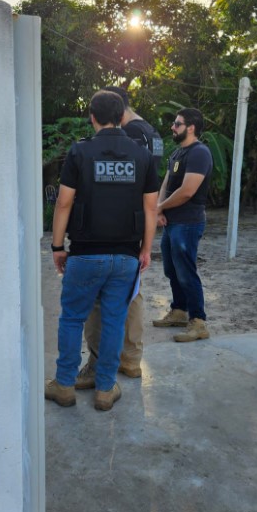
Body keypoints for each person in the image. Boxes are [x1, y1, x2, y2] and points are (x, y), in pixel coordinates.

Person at [45, 90, 159, 411]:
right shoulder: (142, 155)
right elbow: (150, 209)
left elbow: (64, 203)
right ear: (121, 116)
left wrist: (57, 246)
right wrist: (146, 249)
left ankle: (64, 385)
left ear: (92, 117)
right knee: (113, 321)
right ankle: (106, 389)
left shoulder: (80, 152)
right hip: (126, 256)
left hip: (85, 253)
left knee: (72, 319)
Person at [76, 85, 163, 388]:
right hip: (136, 227)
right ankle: (131, 360)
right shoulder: (150, 132)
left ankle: (103, 363)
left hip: (118, 228)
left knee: (106, 300)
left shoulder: (131, 135)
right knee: (132, 293)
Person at [152, 107, 213, 342]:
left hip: (188, 223)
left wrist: (160, 207)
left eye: (177, 124)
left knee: (186, 272)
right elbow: (166, 184)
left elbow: (187, 191)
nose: (173, 127)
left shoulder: (200, 153)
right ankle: (179, 311)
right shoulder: (178, 153)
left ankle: (198, 322)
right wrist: (160, 208)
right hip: (172, 222)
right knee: (171, 269)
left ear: (191, 127)